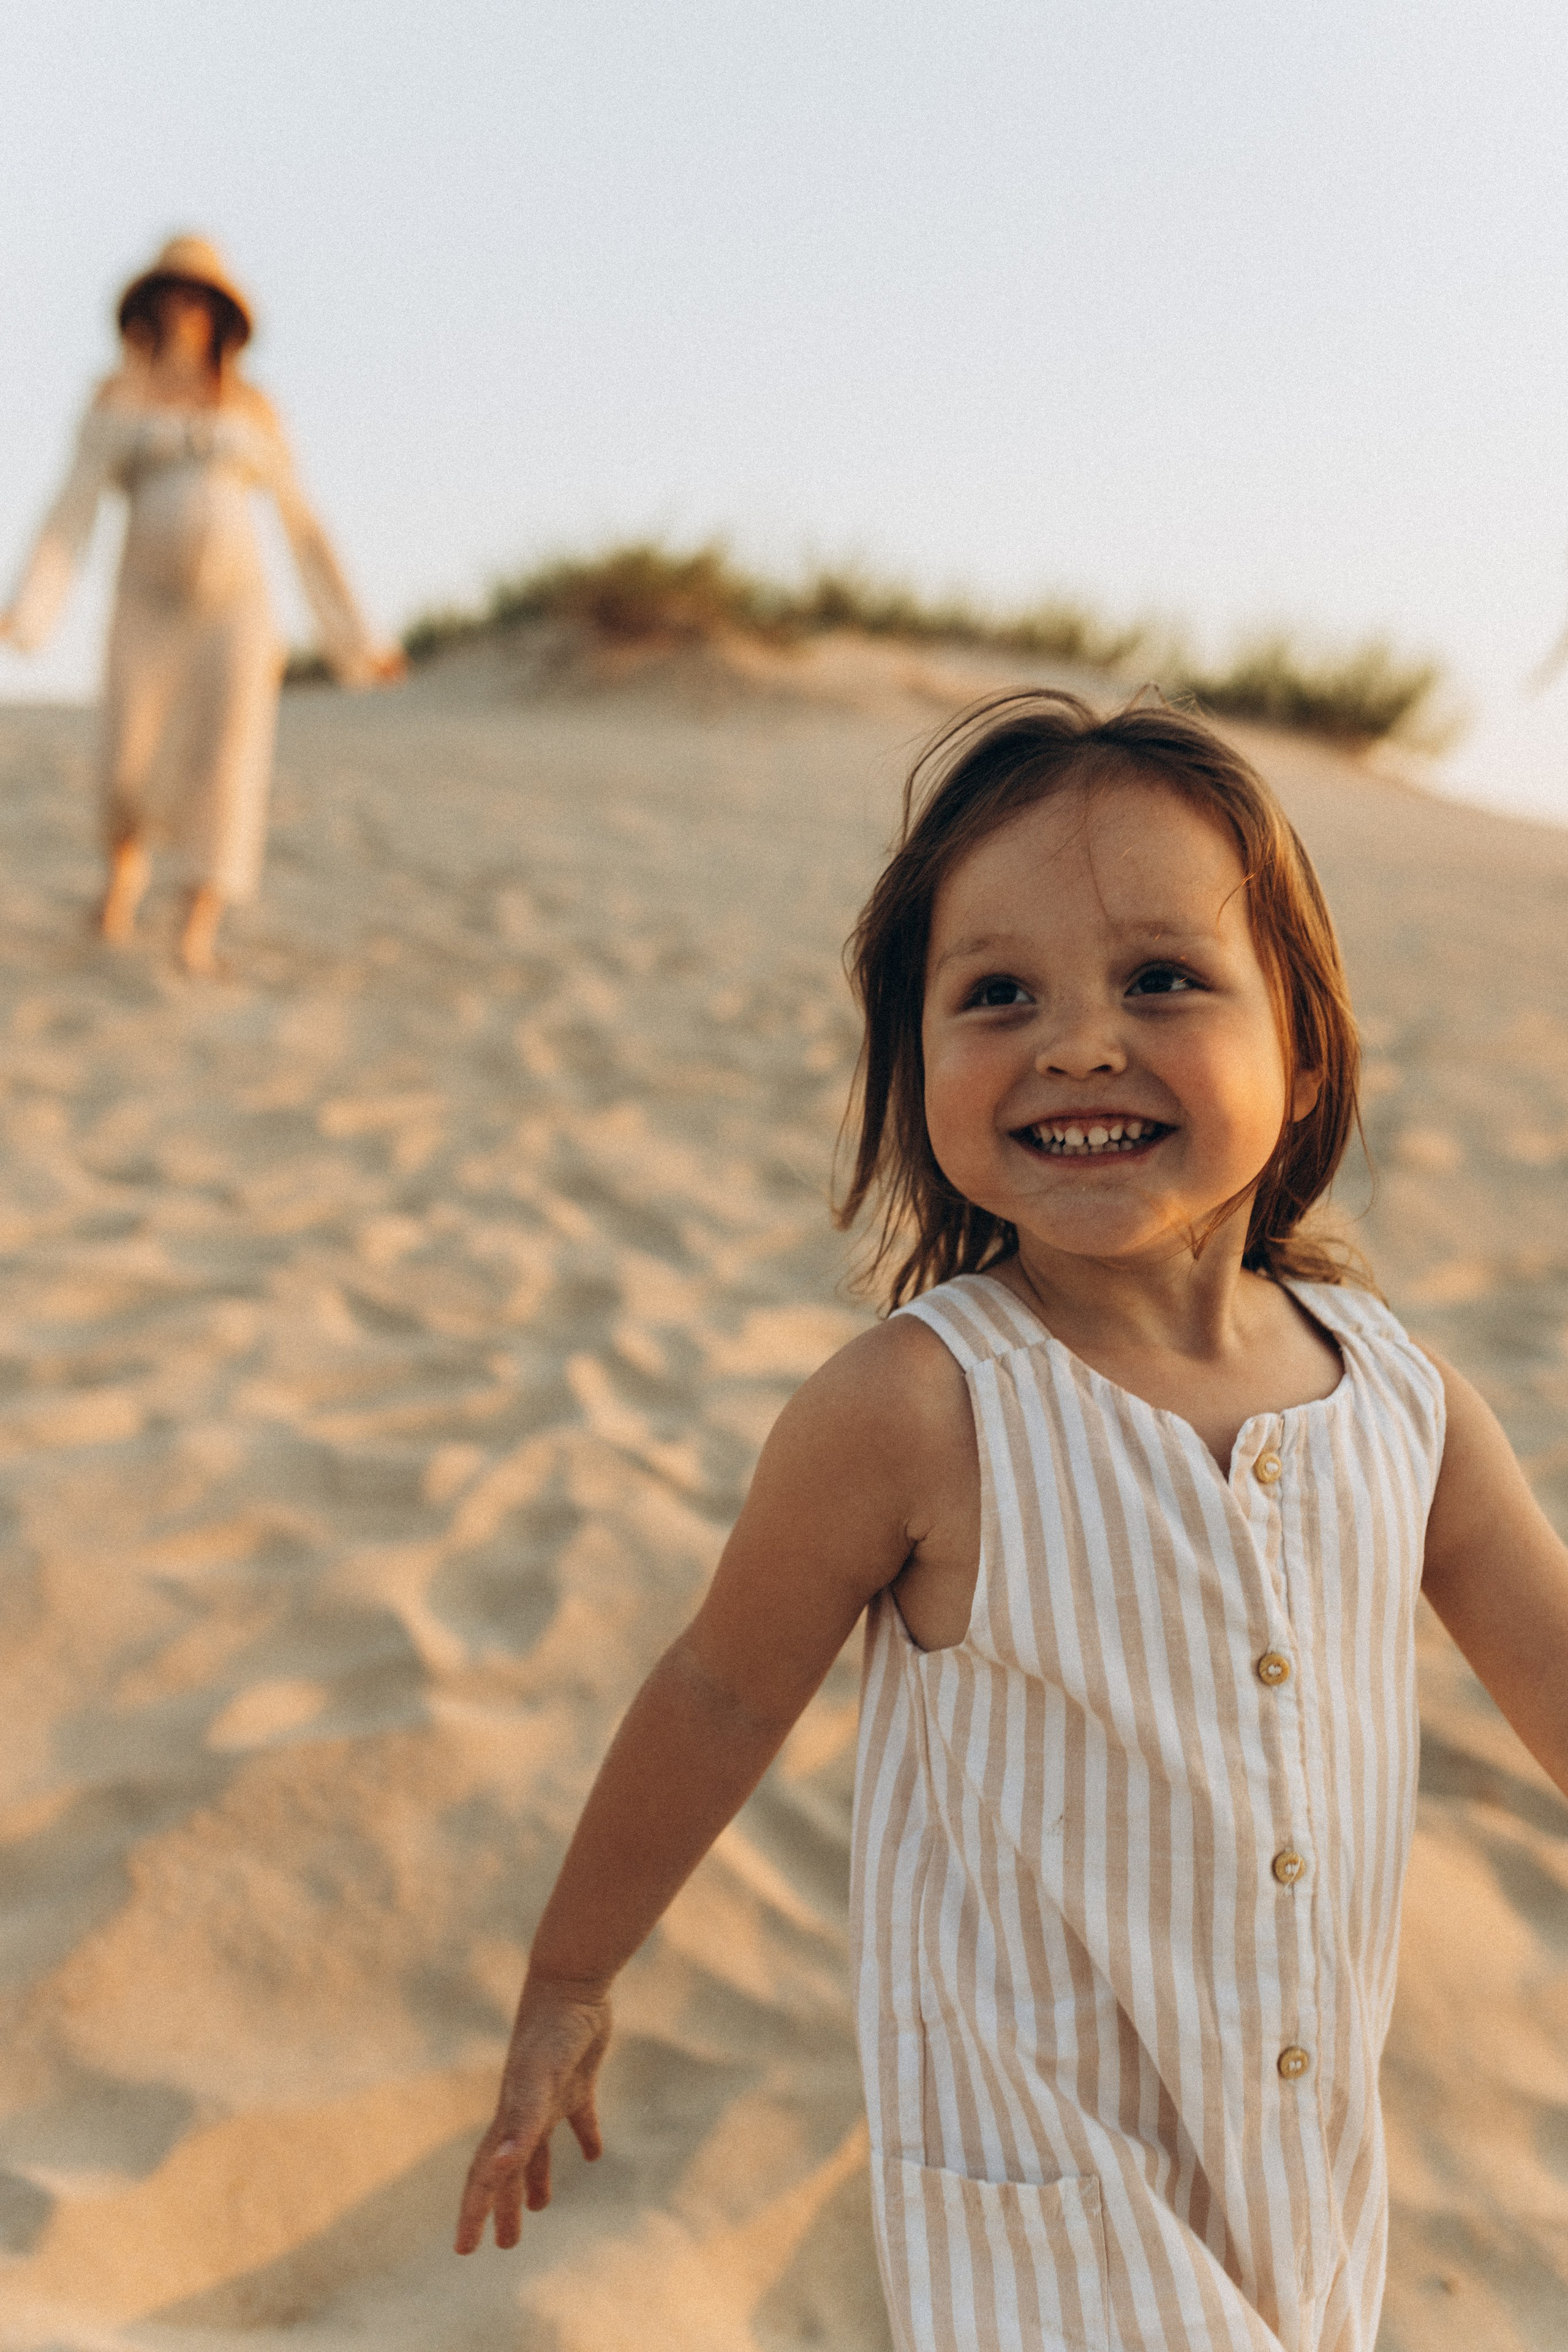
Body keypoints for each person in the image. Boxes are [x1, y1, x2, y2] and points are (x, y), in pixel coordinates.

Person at [453, 690, 1568, 2352]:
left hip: (1298, 2170)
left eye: (1165, 979)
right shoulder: (919, 1408)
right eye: (996, 996)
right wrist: (566, 1979)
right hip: (1041, 2197)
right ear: (918, 1070)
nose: (1078, 1041)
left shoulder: (1403, 1401)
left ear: (1306, 1046)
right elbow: (719, 1692)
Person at [0, 235, 404, 974]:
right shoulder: (115, 395)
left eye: (198, 298)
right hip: (145, 599)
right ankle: (122, 876)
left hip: (237, 607)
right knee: (127, 755)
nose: (184, 310)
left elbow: (304, 526)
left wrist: (355, 637)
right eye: (170, 297)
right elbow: (71, 508)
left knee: (228, 758)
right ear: (148, 309)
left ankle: (196, 926)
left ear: (220, 314)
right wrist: (27, 609)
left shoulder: (251, 406)